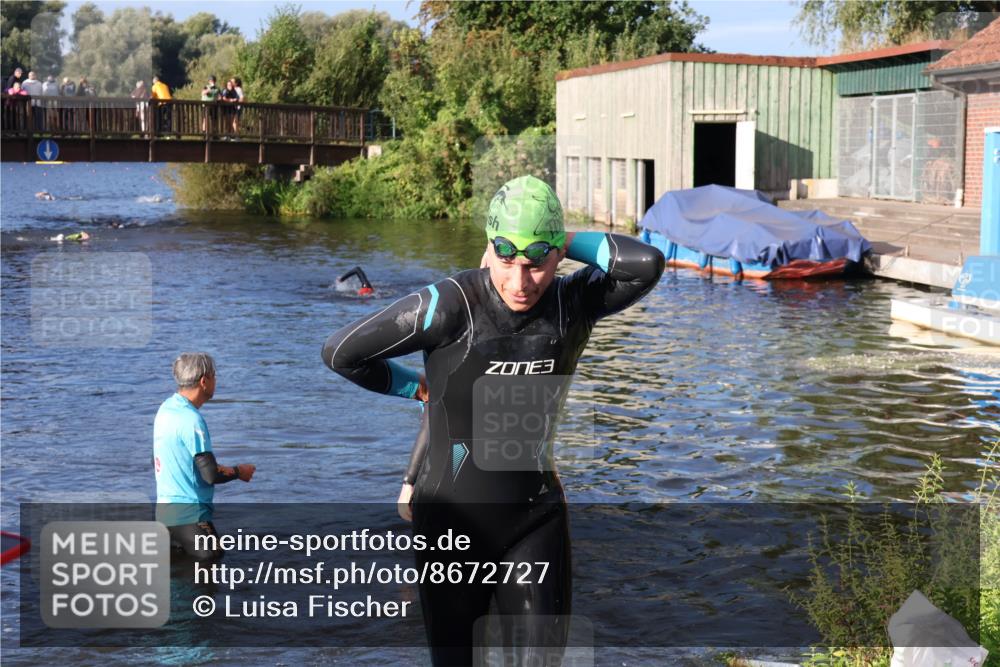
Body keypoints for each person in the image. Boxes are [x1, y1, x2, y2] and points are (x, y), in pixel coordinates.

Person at [322, 175, 665, 665]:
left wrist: (562, 238)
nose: (520, 282)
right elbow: (341, 353)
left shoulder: (573, 303)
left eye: (537, 263)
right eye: (507, 259)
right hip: (449, 523)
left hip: (534, 521)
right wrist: (416, 386)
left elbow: (646, 264)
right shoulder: (449, 305)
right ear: (488, 244)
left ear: (556, 257)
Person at [153, 353, 256, 560]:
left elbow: (173, 461)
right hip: (191, 517)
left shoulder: (165, 410)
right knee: (210, 578)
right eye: (214, 376)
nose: (216, 381)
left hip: (165, 518)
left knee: (180, 584)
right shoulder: (192, 420)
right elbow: (210, 474)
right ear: (204, 381)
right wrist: (239, 472)